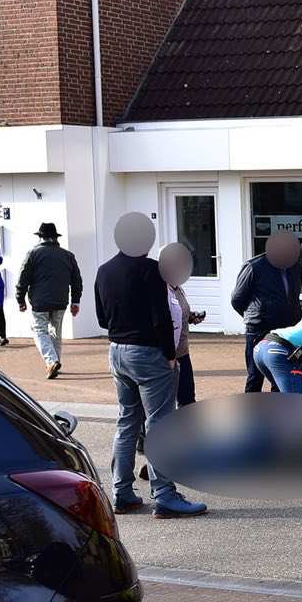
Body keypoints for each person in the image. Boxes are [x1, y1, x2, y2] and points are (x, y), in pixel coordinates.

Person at [94, 212, 206, 518]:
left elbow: (102, 318)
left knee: (126, 421)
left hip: (117, 351)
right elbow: (161, 318)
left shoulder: (104, 271)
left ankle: (122, 493)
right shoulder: (151, 270)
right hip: (149, 353)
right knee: (159, 424)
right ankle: (165, 495)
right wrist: (171, 355)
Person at [231, 231, 302, 392]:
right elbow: (237, 299)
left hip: (286, 330)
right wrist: (256, 315)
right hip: (259, 328)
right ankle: (249, 413)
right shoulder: (254, 266)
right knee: (255, 375)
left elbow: (294, 294)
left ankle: (276, 412)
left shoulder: (295, 267)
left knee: (281, 373)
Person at [15, 222, 82, 380]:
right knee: (55, 332)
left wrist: (20, 299)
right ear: (55, 237)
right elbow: (77, 280)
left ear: (40, 237)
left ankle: (51, 361)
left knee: (39, 331)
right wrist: (75, 301)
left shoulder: (33, 254)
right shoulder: (68, 255)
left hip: (40, 301)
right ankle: (55, 362)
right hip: (61, 300)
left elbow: (23, 277)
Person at [158, 241, 203, 407]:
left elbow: (178, 313)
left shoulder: (177, 287)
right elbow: (161, 321)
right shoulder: (160, 289)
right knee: (164, 403)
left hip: (182, 352)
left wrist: (191, 317)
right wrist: (170, 356)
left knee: (187, 399)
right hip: (167, 355)